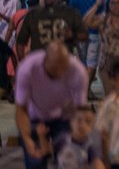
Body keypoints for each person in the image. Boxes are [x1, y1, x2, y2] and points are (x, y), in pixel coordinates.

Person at [15, 40, 89, 168]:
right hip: (34, 116)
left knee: (68, 161)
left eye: (64, 68)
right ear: (45, 61)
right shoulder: (27, 69)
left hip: (64, 116)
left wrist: (79, 134)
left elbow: (80, 109)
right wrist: (26, 139)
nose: (60, 72)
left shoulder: (78, 71)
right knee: (35, 161)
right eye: (55, 68)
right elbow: (21, 109)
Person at [16, 0, 88, 60]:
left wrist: (72, 35)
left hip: (62, 62)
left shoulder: (71, 13)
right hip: (39, 63)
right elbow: (20, 41)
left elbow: (84, 35)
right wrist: (24, 63)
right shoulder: (33, 15)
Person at [69, 0, 103, 98]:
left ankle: (83, 90)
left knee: (82, 62)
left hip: (79, 33)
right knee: (92, 63)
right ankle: (86, 90)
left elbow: (71, 14)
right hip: (94, 32)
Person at [52, 105, 105, 169]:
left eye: (88, 121)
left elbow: (97, 162)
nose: (82, 125)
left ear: (91, 127)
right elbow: (50, 151)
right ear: (71, 122)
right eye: (79, 120)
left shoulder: (90, 146)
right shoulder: (62, 138)